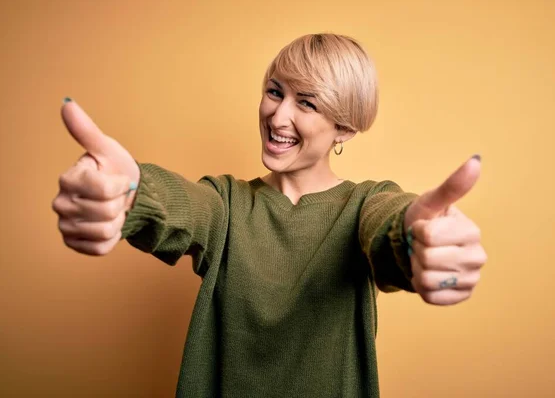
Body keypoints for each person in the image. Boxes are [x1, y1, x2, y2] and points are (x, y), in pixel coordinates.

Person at [52, 33, 486, 397]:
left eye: (308, 104)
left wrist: (416, 238)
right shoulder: (225, 203)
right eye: (275, 92)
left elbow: (390, 226)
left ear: (346, 128)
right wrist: (130, 191)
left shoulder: (362, 206)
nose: (278, 115)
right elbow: (180, 205)